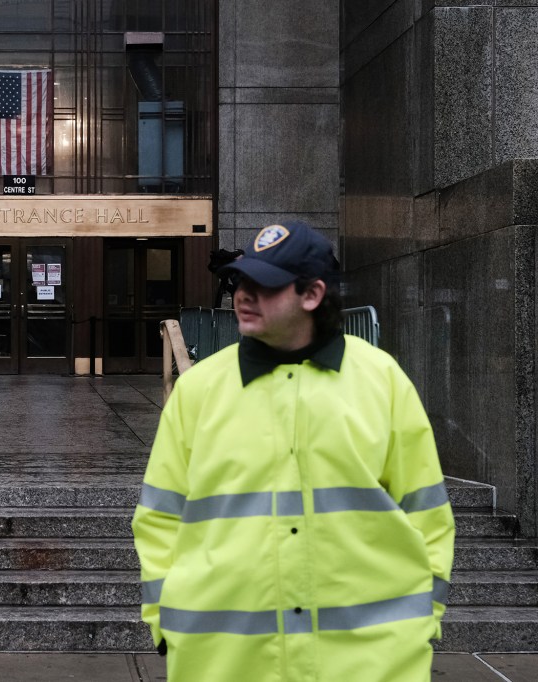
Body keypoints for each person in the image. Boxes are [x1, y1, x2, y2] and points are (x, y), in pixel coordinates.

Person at [132, 221, 455, 681]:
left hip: (372, 663)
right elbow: (159, 518)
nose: (244, 294)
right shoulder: (198, 390)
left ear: (312, 294)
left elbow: (428, 515)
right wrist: (164, 624)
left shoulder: (381, 380)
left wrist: (425, 619)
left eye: (264, 285)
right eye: (241, 280)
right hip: (225, 664)